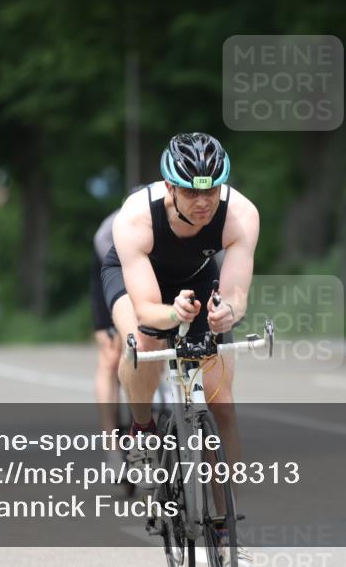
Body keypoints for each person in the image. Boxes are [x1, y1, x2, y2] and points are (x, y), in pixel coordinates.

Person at [102, 133, 257, 565]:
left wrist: (227, 311)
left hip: (199, 277)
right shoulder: (135, 218)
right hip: (139, 284)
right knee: (144, 341)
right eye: (191, 191)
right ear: (169, 187)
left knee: (221, 403)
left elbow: (236, 292)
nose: (203, 201)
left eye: (211, 190)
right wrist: (175, 315)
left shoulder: (240, 214)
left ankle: (226, 525)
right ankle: (142, 427)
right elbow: (149, 310)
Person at [91, 207, 123, 468]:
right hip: (110, 275)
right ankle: (111, 445)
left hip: (153, 272)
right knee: (110, 357)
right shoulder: (107, 233)